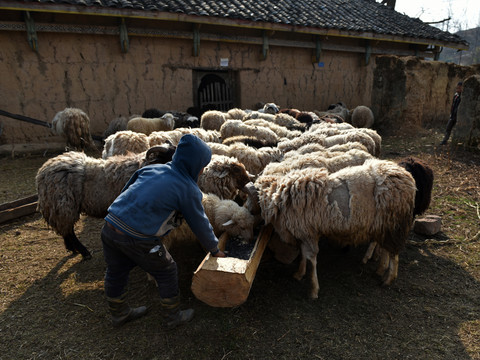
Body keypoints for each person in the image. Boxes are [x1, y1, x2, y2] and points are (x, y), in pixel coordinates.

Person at [101, 134, 226, 329]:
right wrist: (214, 248)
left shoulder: (152, 168)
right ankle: (172, 317)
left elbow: (127, 190)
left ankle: (119, 313)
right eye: (203, 165)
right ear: (194, 164)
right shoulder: (188, 188)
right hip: (138, 237)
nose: (203, 170)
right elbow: (200, 223)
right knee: (167, 270)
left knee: (116, 270)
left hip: (110, 226)